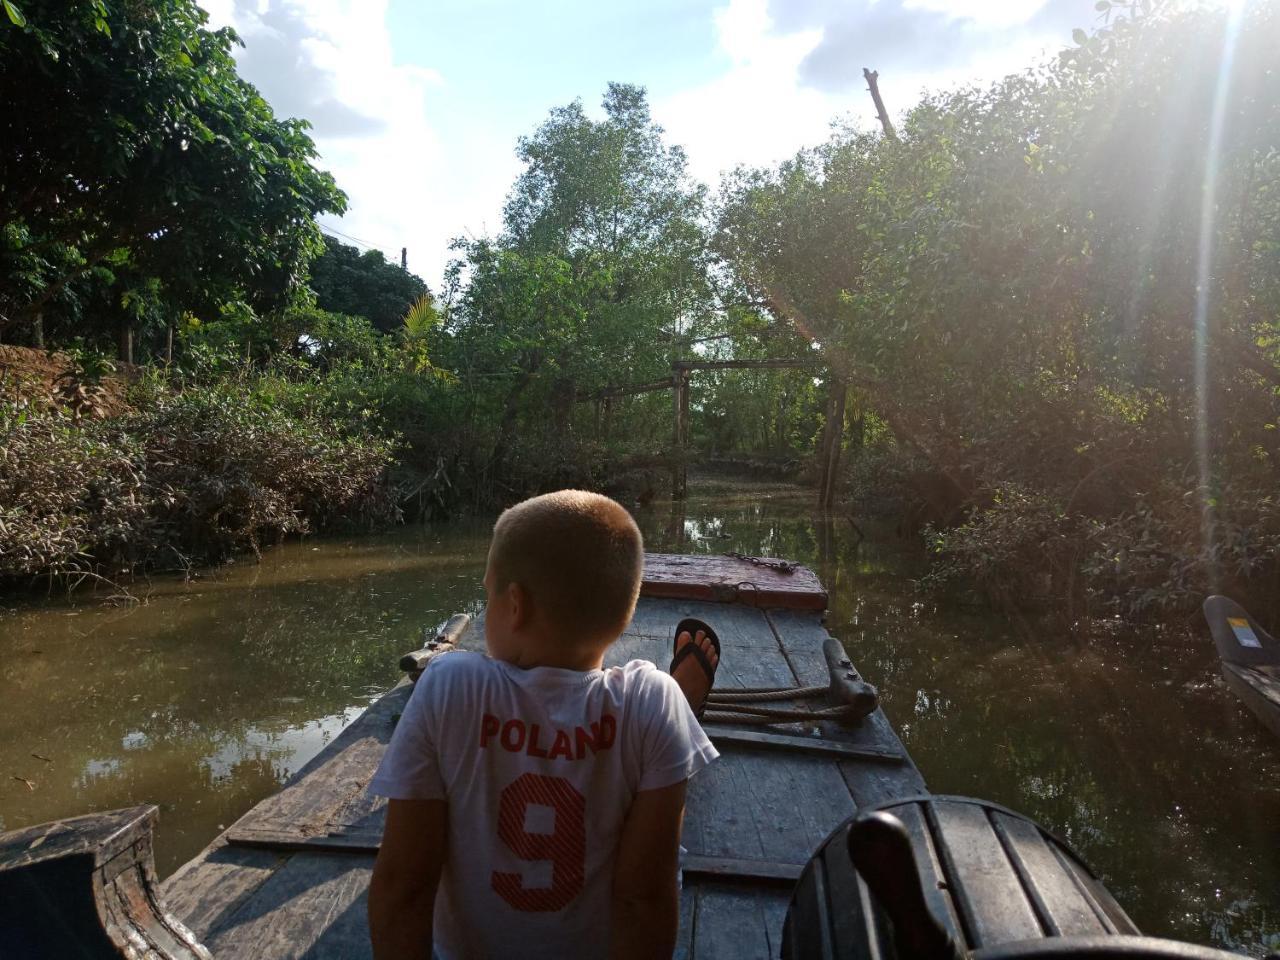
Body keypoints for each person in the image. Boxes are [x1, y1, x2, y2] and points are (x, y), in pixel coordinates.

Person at [367, 490, 722, 960]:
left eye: (487, 592)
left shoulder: (449, 685)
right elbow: (645, 900)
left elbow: (403, 887)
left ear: (515, 605)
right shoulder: (653, 700)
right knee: (671, 715)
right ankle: (689, 698)